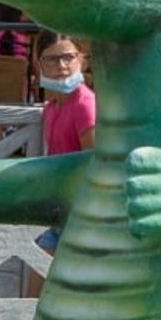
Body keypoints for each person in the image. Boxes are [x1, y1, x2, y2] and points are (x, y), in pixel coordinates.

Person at [35, 35, 96, 253]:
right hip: (60, 211)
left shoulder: (85, 104)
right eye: (51, 60)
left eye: (68, 57)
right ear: (39, 65)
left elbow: (95, 162)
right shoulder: (51, 107)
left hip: (81, 217)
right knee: (36, 285)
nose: (61, 66)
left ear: (82, 61)